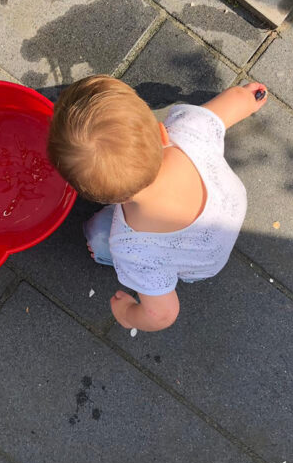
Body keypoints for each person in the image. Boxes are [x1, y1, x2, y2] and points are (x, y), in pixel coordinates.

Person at [47, 76, 268, 332]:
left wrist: (129, 314)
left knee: (98, 234)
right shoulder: (186, 131)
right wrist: (247, 98)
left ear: (104, 198)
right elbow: (221, 113)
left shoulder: (134, 251)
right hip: (226, 206)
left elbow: (162, 314)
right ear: (162, 132)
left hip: (197, 266)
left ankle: (100, 250)